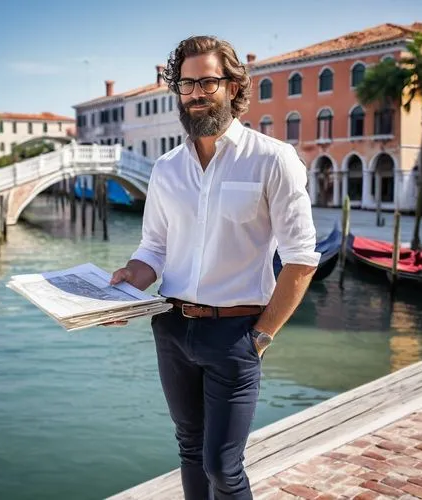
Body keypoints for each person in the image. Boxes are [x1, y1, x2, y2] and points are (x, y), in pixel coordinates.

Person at [109, 36, 320, 500]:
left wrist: (260, 337)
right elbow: (154, 250)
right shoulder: (165, 169)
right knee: (189, 450)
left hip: (238, 333)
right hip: (171, 327)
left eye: (208, 81)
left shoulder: (273, 159)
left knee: (223, 467)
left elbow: (302, 259)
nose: (197, 92)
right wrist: (129, 278)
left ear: (233, 86)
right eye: (187, 83)